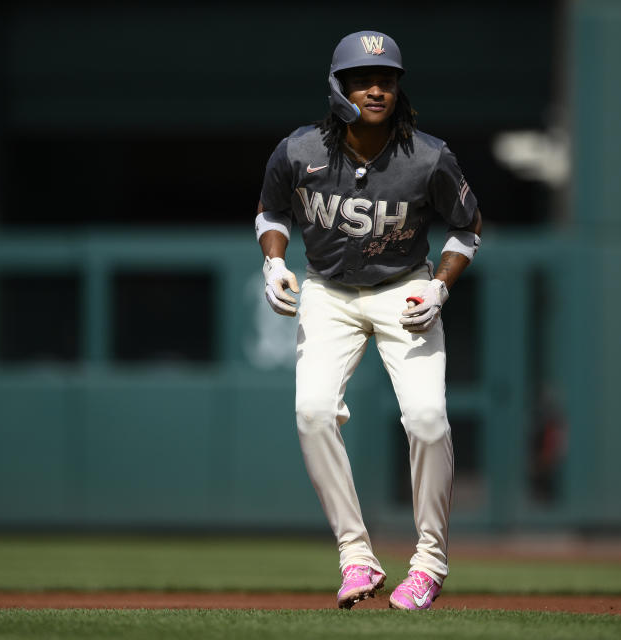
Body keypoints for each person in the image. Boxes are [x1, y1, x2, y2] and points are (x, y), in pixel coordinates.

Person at [254, 30, 482, 611]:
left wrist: (439, 285)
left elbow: (467, 226)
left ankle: (429, 564)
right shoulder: (299, 150)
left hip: (404, 287)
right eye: (363, 78)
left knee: (428, 419)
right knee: (311, 412)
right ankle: (355, 556)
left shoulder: (429, 155)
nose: (377, 88)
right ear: (339, 86)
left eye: (386, 79)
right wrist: (275, 262)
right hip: (328, 290)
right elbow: (271, 210)